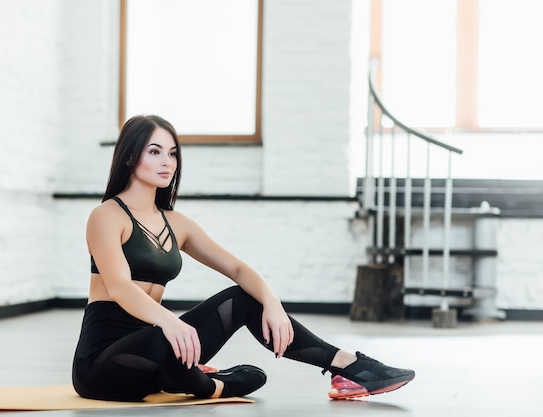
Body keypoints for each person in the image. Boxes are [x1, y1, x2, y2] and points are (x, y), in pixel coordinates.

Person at [71, 115, 415, 401]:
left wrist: (272, 302)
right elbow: (118, 287)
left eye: (173, 154)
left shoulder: (176, 223)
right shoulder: (107, 216)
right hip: (103, 362)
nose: (167, 162)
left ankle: (348, 366)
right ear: (130, 157)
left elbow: (237, 268)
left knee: (243, 298)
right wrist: (172, 322)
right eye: (155, 151)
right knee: (167, 341)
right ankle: (213, 385)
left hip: (161, 345)